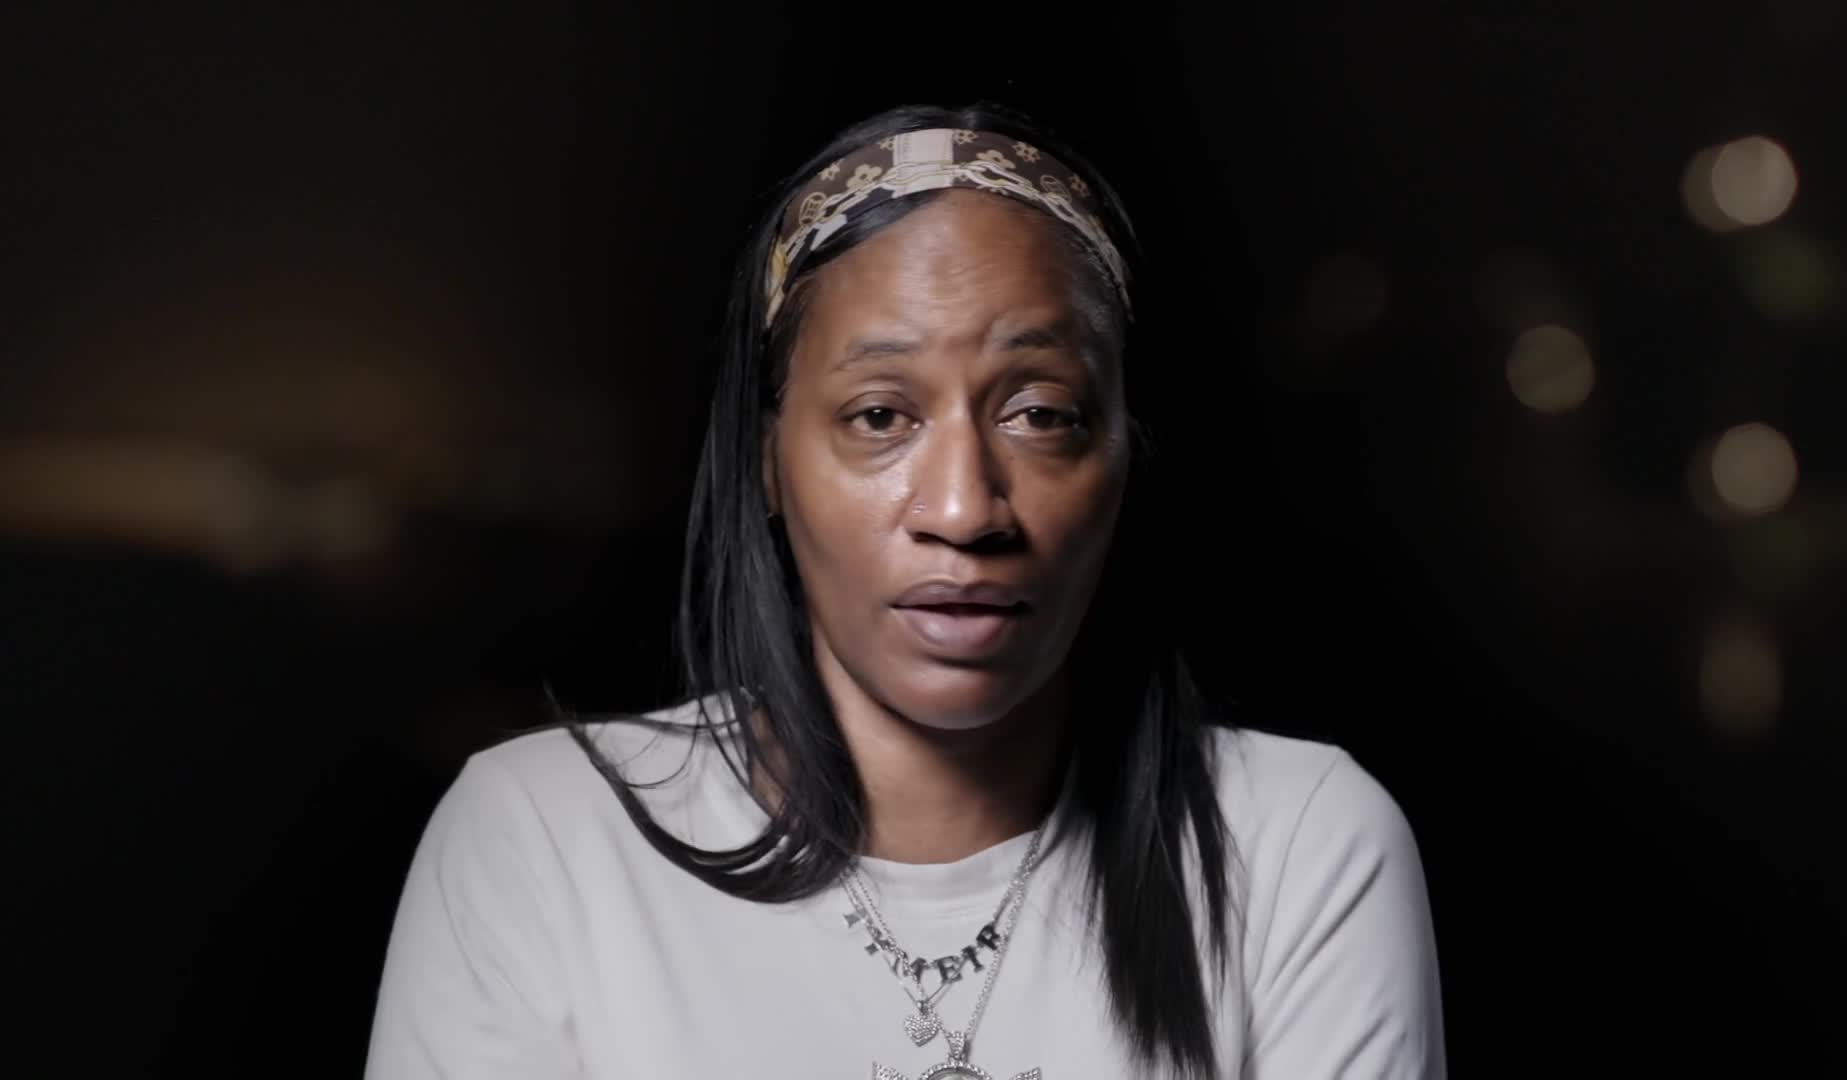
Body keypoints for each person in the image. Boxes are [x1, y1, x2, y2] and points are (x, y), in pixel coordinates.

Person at [365, 101, 1446, 1079]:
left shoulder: (1296, 844)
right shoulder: (545, 842)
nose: (966, 510)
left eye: (1041, 413)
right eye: (880, 416)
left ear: (1126, 456)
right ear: (768, 463)